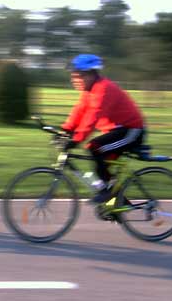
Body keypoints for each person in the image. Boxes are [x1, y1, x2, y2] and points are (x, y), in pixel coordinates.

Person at [61, 54, 146, 204]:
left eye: (78, 76)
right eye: (73, 76)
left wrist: (76, 140)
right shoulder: (90, 91)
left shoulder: (104, 89)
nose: (74, 80)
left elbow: (93, 116)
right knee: (100, 161)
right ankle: (116, 199)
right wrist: (66, 130)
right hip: (117, 131)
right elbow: (80, 111)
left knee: (95, 148)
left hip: (131, 131)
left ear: (91, 74)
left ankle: (109, 193)